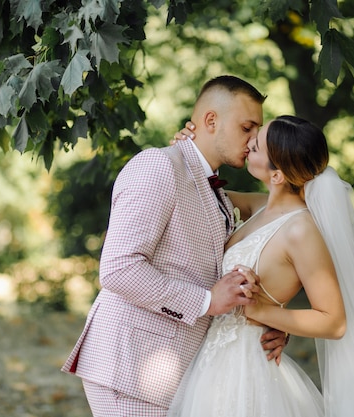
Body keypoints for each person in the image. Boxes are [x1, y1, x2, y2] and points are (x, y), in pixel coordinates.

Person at [61, 75, 288, 416]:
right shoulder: (159, 166)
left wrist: (273, 322)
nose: (254, 139)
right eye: (247, 127)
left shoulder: (217, 194)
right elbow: (119, 268)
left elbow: (283, 210)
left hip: (175, 372)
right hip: (131, 366)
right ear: (211, 120)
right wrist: (207, 300)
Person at [167, 116, 354, 417]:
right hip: (213, 360)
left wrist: (263, 312)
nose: (249, 143)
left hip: (249, 365)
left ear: (277, 176)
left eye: (257, 145)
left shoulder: (301, 231)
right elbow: (197, 196)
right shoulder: (260, 206)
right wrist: (186, 150)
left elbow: (334, 321)